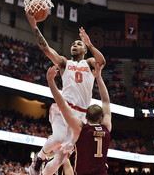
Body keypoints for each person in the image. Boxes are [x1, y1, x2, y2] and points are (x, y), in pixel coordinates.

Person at [26, 11, 106, 175]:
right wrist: (34, 26)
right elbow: (45, 48)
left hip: (81, 116)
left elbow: (102, 62)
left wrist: (90, 44)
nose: (75, 45)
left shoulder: (90, 63)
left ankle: (42, 173)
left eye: (78, 44)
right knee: (59, 138)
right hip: (64, 109)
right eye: (73, 44)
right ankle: (38, 159)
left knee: (60, 160)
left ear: (84, 49)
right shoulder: (64, 63)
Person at [46, 63, 111, 175]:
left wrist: (51, 81)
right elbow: (106, 101)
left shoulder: (81, 129)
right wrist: (99, 78)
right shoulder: (106, 128)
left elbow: (61, 104)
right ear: (101, 119)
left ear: (85, 116)